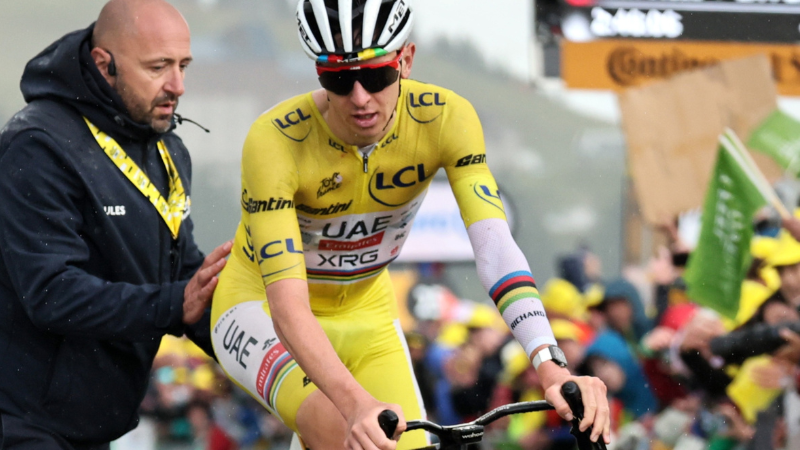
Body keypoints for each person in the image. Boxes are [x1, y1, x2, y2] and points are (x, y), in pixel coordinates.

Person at [210, 1, 610, 449]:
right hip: (260, 309)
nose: (360, 97)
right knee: (340, 430)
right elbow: (288, 306)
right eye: (338, 79)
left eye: (376, 75)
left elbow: (495, 248)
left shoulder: (445, 118)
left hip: (367, 310)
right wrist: (354, 404)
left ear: (406, 60)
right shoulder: (275, 140)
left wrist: (550, 364)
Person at [0, 0, 232, 448]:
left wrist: (270, 357)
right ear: (104, 64)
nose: (178, 85)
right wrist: (174, 304)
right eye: (158, 67)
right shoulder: (36, 146)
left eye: (183, 65)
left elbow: (185, 277)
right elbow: (51, 292)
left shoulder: (168, 149)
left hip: (94, 427)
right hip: (23, 422)